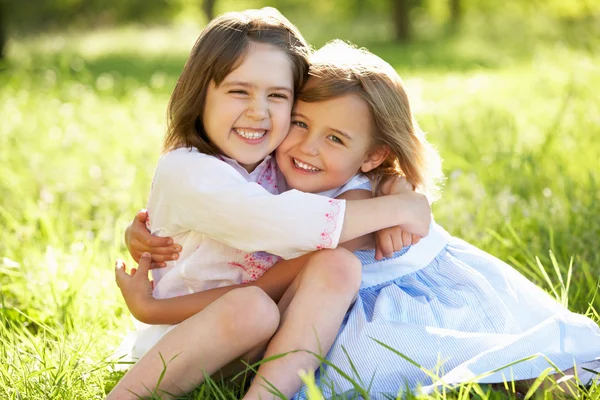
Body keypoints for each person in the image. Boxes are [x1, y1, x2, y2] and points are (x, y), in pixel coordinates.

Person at [127, 40, 600, 399]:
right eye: (300, 122)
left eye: (335, 139)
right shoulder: (258, 164)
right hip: (269, 314)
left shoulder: (356, 200)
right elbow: (238, 225)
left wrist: (397, 192)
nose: (307, 147)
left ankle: (534, 377)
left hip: (399, 295)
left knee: (470, 353)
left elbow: (284, 271)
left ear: (373, 155)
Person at [108, 9, 431, 400]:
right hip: (176, 344)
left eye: (277, 97)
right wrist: (400, 210)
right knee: (252, 308)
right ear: (200, 95)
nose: (258, 112)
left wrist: (397, 187)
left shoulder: (277, 156)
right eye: (238, 91)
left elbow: (356, 178)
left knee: (335, 265)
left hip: (263, 343)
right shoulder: (186, 169)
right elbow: (279, 222)